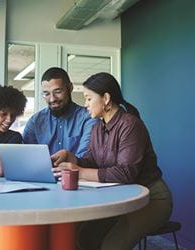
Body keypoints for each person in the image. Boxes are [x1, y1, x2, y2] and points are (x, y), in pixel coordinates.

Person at [51, 72, 173, 250]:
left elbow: (125, 173)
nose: (85, 104)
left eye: (88, 98)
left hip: (151, 199)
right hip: (121, 197)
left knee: (112, 245)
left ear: (106, 98)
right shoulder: (98, 127)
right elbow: (93, 161)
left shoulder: (130, 125)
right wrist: (72, 157)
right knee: (84, 235)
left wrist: (78, 171)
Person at [23, 67, 97, 157]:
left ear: (70, 88)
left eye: (57, 92)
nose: (52, 99)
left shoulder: (88, 118)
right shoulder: (35, 121)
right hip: (43, 171)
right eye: (46, 94)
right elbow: (27, 156)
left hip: (76, 170)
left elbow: (85, 157)